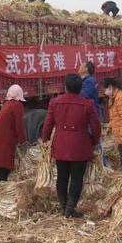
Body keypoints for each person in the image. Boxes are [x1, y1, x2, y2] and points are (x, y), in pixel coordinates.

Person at [41, 74, 101, 218]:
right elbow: (96, 126)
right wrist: (93, 141)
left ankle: (63, 207)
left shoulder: (54, 102)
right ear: (80, 87)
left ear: (65, 87)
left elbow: (48, 125)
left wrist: (45, 140)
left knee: (62, 177)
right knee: (76, 178)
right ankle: (70, 209)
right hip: (80, 146)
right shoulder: (87, 104)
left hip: (60, 145)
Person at [0, 85, 28, 181]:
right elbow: (19, 126)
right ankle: (0, 185)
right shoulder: (18, 106)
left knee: (4, 166)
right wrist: (23, 142)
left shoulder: (6, 104)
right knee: (6, 167)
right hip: (6, 140)